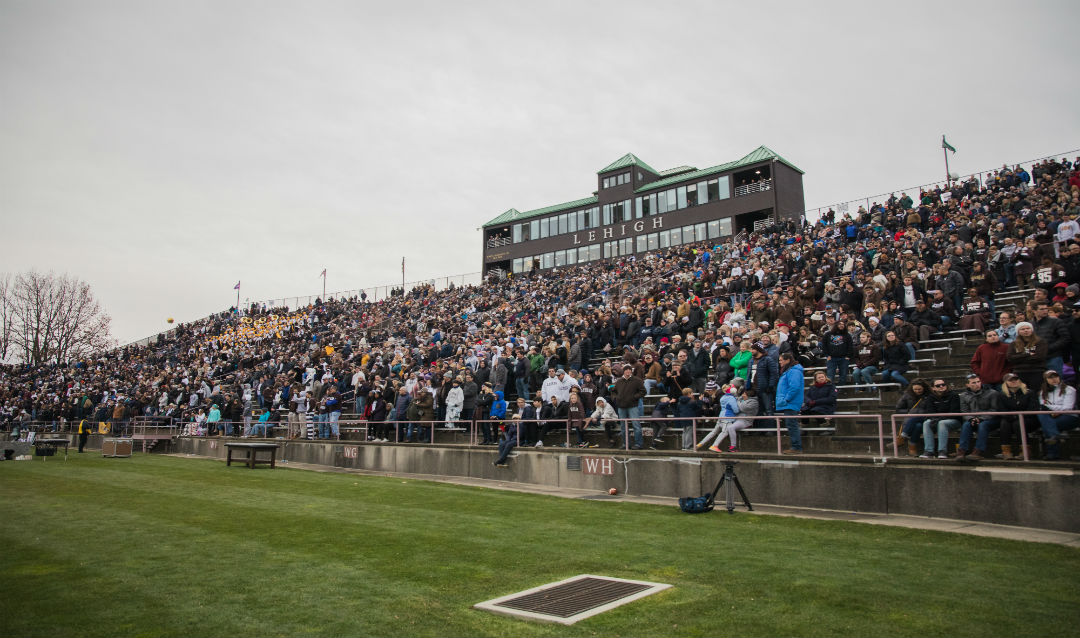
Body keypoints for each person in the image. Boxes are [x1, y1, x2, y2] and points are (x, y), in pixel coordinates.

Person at [957, 374, 1001, 461]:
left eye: (978, 382)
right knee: (966, 425)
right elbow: (964, 411)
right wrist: (971, 418)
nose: (977, 384)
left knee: (983, 425)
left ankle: (978, 451)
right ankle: (961, 451)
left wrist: (981, 418)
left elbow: (994, 410)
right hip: (973, 419)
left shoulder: (992, 393)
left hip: (991, 419)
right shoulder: (963, 396)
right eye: (973, 383)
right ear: (967, 385)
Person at [1036, 371, 1078, 461]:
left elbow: (1068, 408)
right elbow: (1042, 406)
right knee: (1042, 415)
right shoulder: (1042, 392)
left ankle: (1052, 453)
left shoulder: (1069, 389)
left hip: (1069, 417)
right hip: (1050, 416)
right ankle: (1055, 436)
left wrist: (1051, 409)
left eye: (1055, 376)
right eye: (1050, 377)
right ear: (1046, 380)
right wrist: (1052, 410)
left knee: (1047, 425)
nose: (1054, 379)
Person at [996, 373, 1036, 460]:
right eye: (1011, 380)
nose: (1014, 381)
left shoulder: (1029, 393)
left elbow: (1032, 409)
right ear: (1005, 383)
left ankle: (1025, 451)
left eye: (1016, 379)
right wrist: (1013, 417)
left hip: (1028, 419)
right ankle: (1006, 451)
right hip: (1010, 418)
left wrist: (1018, 416)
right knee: (1004, 423)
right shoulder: (1002, 395)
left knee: (1018, 423)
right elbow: (1002, 410)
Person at [920, 379, 961, 459]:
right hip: (938, 419)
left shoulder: (953, 395)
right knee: (926, 423)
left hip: (954, 420)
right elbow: (930, 412)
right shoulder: (930, 398)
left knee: (942, 423)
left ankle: (942, 451)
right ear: (933, 388)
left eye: (943, 384)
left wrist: (938, 419)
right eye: (938, 385)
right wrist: (935, 419)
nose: (941, 386)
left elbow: (954, 412)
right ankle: (929, 451)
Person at [776, 352, 805, 454]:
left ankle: (796, 447)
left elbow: (794, 387)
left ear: (787, 360)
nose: (779, 362)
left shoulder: (794, 371)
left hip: (791, 402)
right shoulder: (790, 371)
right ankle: (795, 446)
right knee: (791, 424)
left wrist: (786, 399)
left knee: (792, 425)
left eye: (781, 360)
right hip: (789, 402)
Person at [1006, 322, 1047, 391]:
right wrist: (1027, 354)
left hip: (1037, 371)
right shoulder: (1013, 344)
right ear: (1018, 331)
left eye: (1028, 328)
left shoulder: (1040, 342)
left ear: (1032, 330)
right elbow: (1010, 358)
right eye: (1022, 329)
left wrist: (1019, 357)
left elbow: (1040, 357)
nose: (1026, 330)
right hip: (1020, 372)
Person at [612, 365, 646, 449]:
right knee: (623, 426)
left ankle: (638, 444)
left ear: (631, 371)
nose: (628, 371)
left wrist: (634, 397)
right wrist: (616, 398)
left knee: (636, 425)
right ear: (623, 371)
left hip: (633, 406)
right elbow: (613, 392)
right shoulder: (619, 381)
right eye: (626, 370)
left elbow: (643, 391)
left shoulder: (637, 380)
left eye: (629, 370)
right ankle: (625, 444)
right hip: (621, 407)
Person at [894, 379, 929, 456]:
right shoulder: (907, 395)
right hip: (912, 419)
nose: (917, 391)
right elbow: (898, 409)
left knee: (915, 420)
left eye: (919, 389)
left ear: (924, 388)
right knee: (918, 426)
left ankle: (901, 438)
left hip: (925, 417)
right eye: (915, 389)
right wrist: (910, 412)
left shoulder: (929, 395)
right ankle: (912, 447)